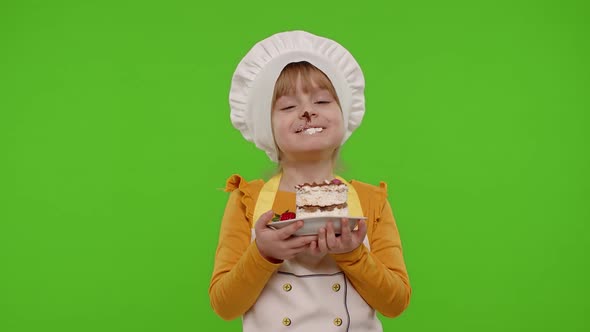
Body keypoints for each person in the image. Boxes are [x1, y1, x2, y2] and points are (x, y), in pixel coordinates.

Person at [209, 30, 411, 331]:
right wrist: (263, 253)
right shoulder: (247, 201)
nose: (307, 111)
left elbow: (395, 303)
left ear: (344, 115)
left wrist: (352, 254)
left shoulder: (371, 201)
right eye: (288, 106)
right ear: (267, 127)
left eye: (322, 100)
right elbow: (225, 306)